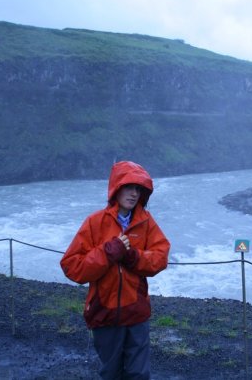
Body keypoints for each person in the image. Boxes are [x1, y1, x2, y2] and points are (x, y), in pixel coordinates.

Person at [60, 161, 170, 379]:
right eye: (129, 187)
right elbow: (72, 266)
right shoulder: (95, 222)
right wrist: (107, 253)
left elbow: (160, 257)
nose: (133, 193)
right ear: (116, 188)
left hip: (136, 312)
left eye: (138, 189)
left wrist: (133, 257)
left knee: (139, 374)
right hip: (104, 312)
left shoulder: (146, 223)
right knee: (111, 373)